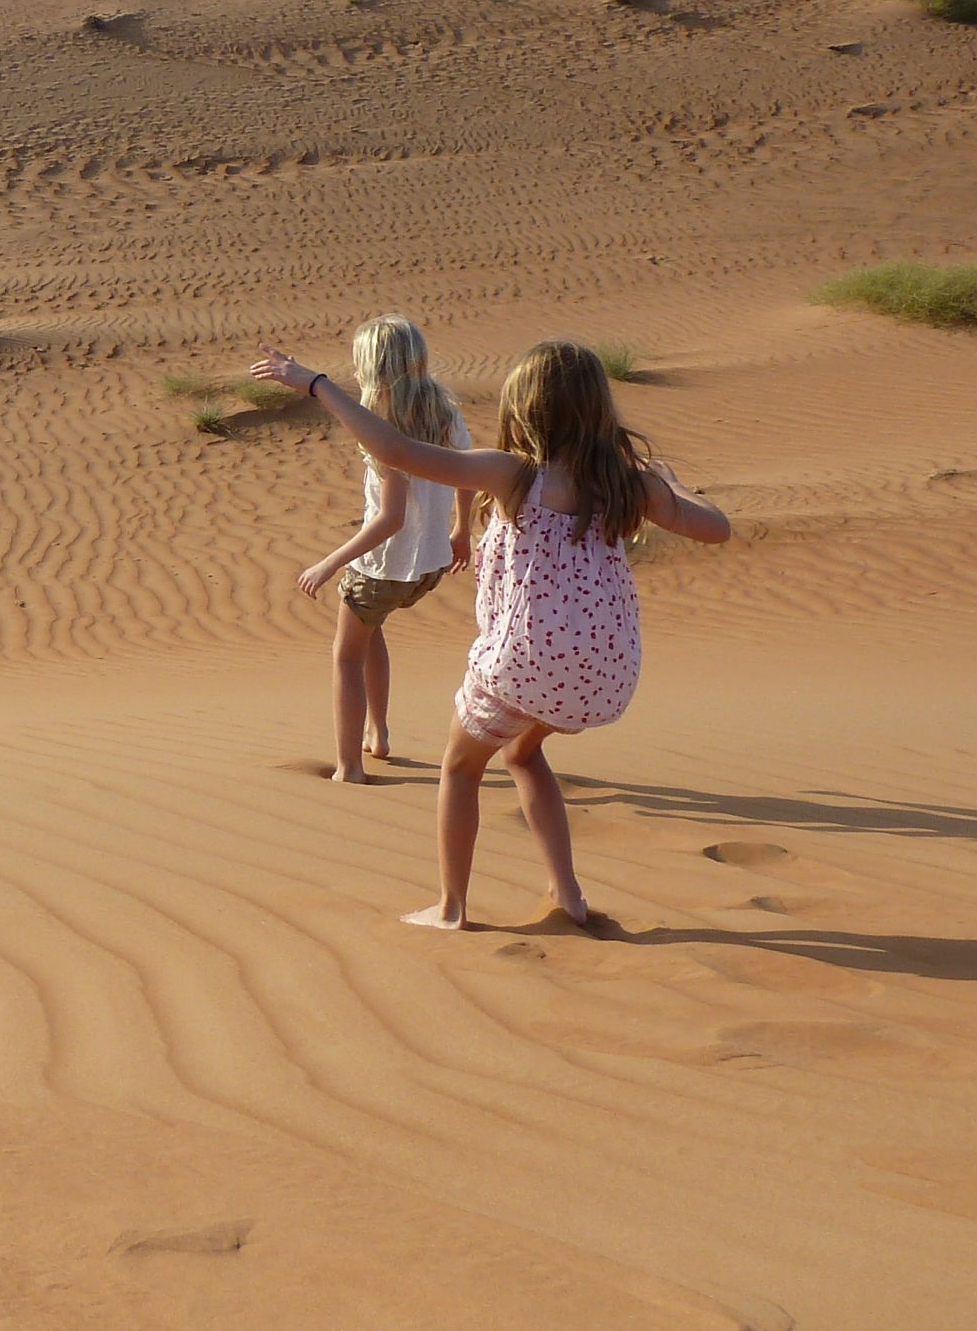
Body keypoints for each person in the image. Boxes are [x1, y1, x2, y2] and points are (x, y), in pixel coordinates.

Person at [248, 340, 729, 930]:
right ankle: (568, 894)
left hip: (526, 663)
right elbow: (717, 530)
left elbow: (394, 450)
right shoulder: (624, 484)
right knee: (523, 753)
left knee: (460, 768)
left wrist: (317, 383)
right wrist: (671, 487)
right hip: (607, 674)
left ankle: (451, 908)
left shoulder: (513, 475)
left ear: (524, 409)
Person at [294, 316, 474, 783]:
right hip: (429, 564)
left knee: (345, 656)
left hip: (384, 568)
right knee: (370, 631)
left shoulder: (383, 427)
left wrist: (331, 562)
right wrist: (461, 531)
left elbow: (390, 518)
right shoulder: (444, 409)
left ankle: (349, 765)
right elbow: (467, 471)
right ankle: (378, 732)